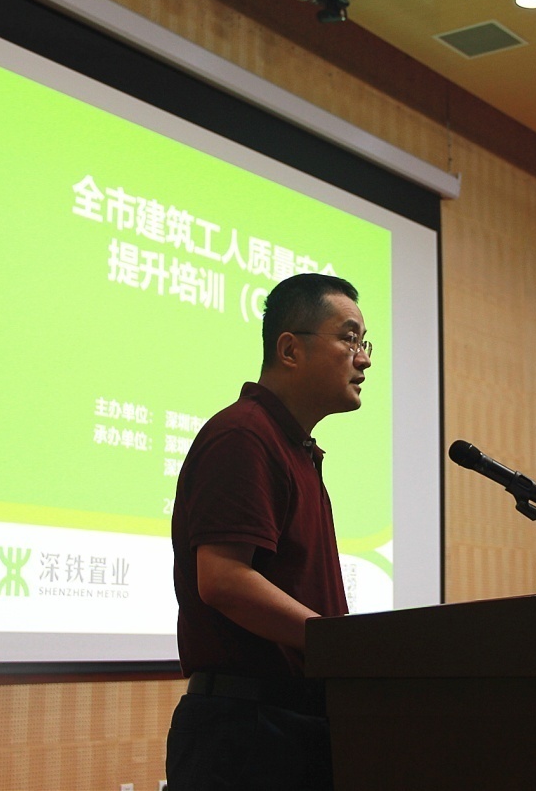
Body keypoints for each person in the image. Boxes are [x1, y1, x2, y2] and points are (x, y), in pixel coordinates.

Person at [166, 273, 373, 790]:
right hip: (246, 733)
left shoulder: (294, 447)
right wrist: (337, 645)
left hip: (290, 723)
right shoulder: (244, 434)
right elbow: (223, 579)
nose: (364, 359)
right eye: (349, 339)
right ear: (290, 349)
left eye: (364, 343)